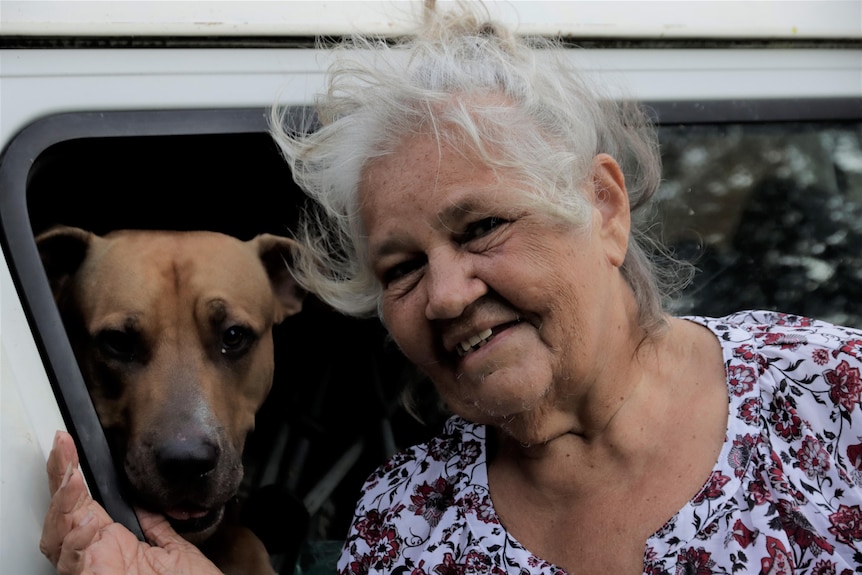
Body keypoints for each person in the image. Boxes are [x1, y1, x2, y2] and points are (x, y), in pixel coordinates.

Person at [41, 3, 862, 574]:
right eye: (399, 267)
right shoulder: (403, 525)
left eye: (481, 228)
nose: (442, 294)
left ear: (603, 209)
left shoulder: (834, 395)